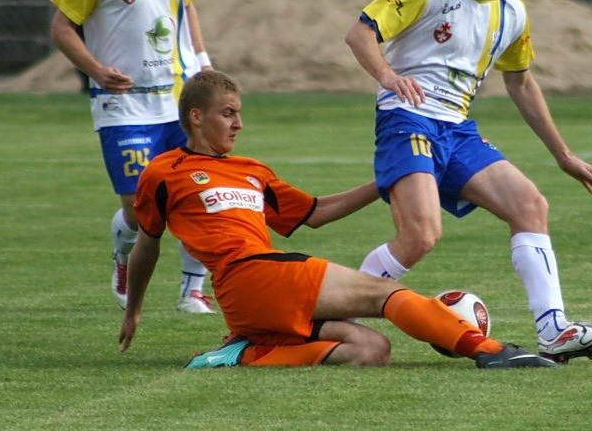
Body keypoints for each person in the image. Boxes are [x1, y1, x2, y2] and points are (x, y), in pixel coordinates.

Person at [118, 69, 558, 369]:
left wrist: (390, 177)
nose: (239, 124)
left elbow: (316, 212)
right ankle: (491, 351)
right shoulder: (164, 172)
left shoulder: (252, 171)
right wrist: (134, 310)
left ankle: (242, 354)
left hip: (258, 295)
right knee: (383, 293)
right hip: (248, 277)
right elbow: (147, 245)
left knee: (370, 349)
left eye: (238, 113)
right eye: (228, 113)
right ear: (196, 117)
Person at [344, 0, 592, 364]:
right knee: (420, 236)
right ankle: (336, 317)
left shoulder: (514, 12)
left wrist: (564, 155)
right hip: (407, 119)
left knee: (530, 204)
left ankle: (554, 330)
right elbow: (360, 34)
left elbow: (521, 83)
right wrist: (388, 76)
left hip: (456, 128)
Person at [50, 0, 216, 314]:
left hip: (180, 101)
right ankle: (122, 252)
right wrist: (96, 71)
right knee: (143, 212)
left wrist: (204, 65)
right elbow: (62, 27)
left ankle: (192, 290)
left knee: (201, 194)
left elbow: (187, 9)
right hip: (123, 106)